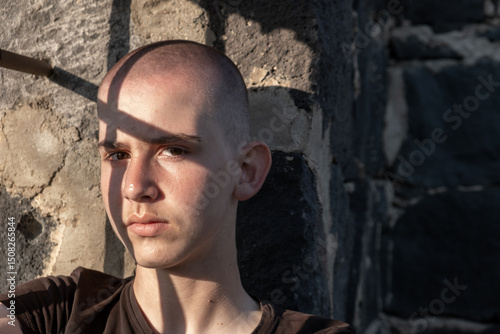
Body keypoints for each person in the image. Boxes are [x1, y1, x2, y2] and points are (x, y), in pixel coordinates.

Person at [0, 40, 355, 334]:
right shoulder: (58, 313)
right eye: (118, 154)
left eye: (173, 150)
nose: (135, 187)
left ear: (245, 171)